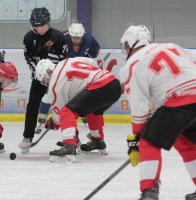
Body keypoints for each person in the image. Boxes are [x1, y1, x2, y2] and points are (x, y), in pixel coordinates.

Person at [119, 25, 196, 200]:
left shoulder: (131, 65)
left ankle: (149, 192)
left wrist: (138, 137)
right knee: (186, 143)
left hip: (178, 100)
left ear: (129, 44)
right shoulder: (169, 46)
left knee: (149, 142)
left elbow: (140, 107)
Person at [35, 57, 121, 162]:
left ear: (47, 73)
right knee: (93, 110)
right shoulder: (66, 61)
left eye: (44, 79)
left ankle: (69, 146)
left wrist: (52, 123)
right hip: (114, 84)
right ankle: (98, 141)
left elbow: (60, 116)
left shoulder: (53, 87)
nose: (46, 82)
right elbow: (92, 62)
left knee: (67, 111)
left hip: (99, 86)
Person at [19, 7, 67, 153]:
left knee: (65, 107)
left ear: (48, 22)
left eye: (43, 26)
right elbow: (29, 58)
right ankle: (28, 136)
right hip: (39, 78)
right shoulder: (28, 38)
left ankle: (72, 139)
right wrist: (39, 72)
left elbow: (64, 59)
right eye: (37, 26)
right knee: (32, 105)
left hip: (57, 78)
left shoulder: (58, 37)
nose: (40, 29)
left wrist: (50, 68)